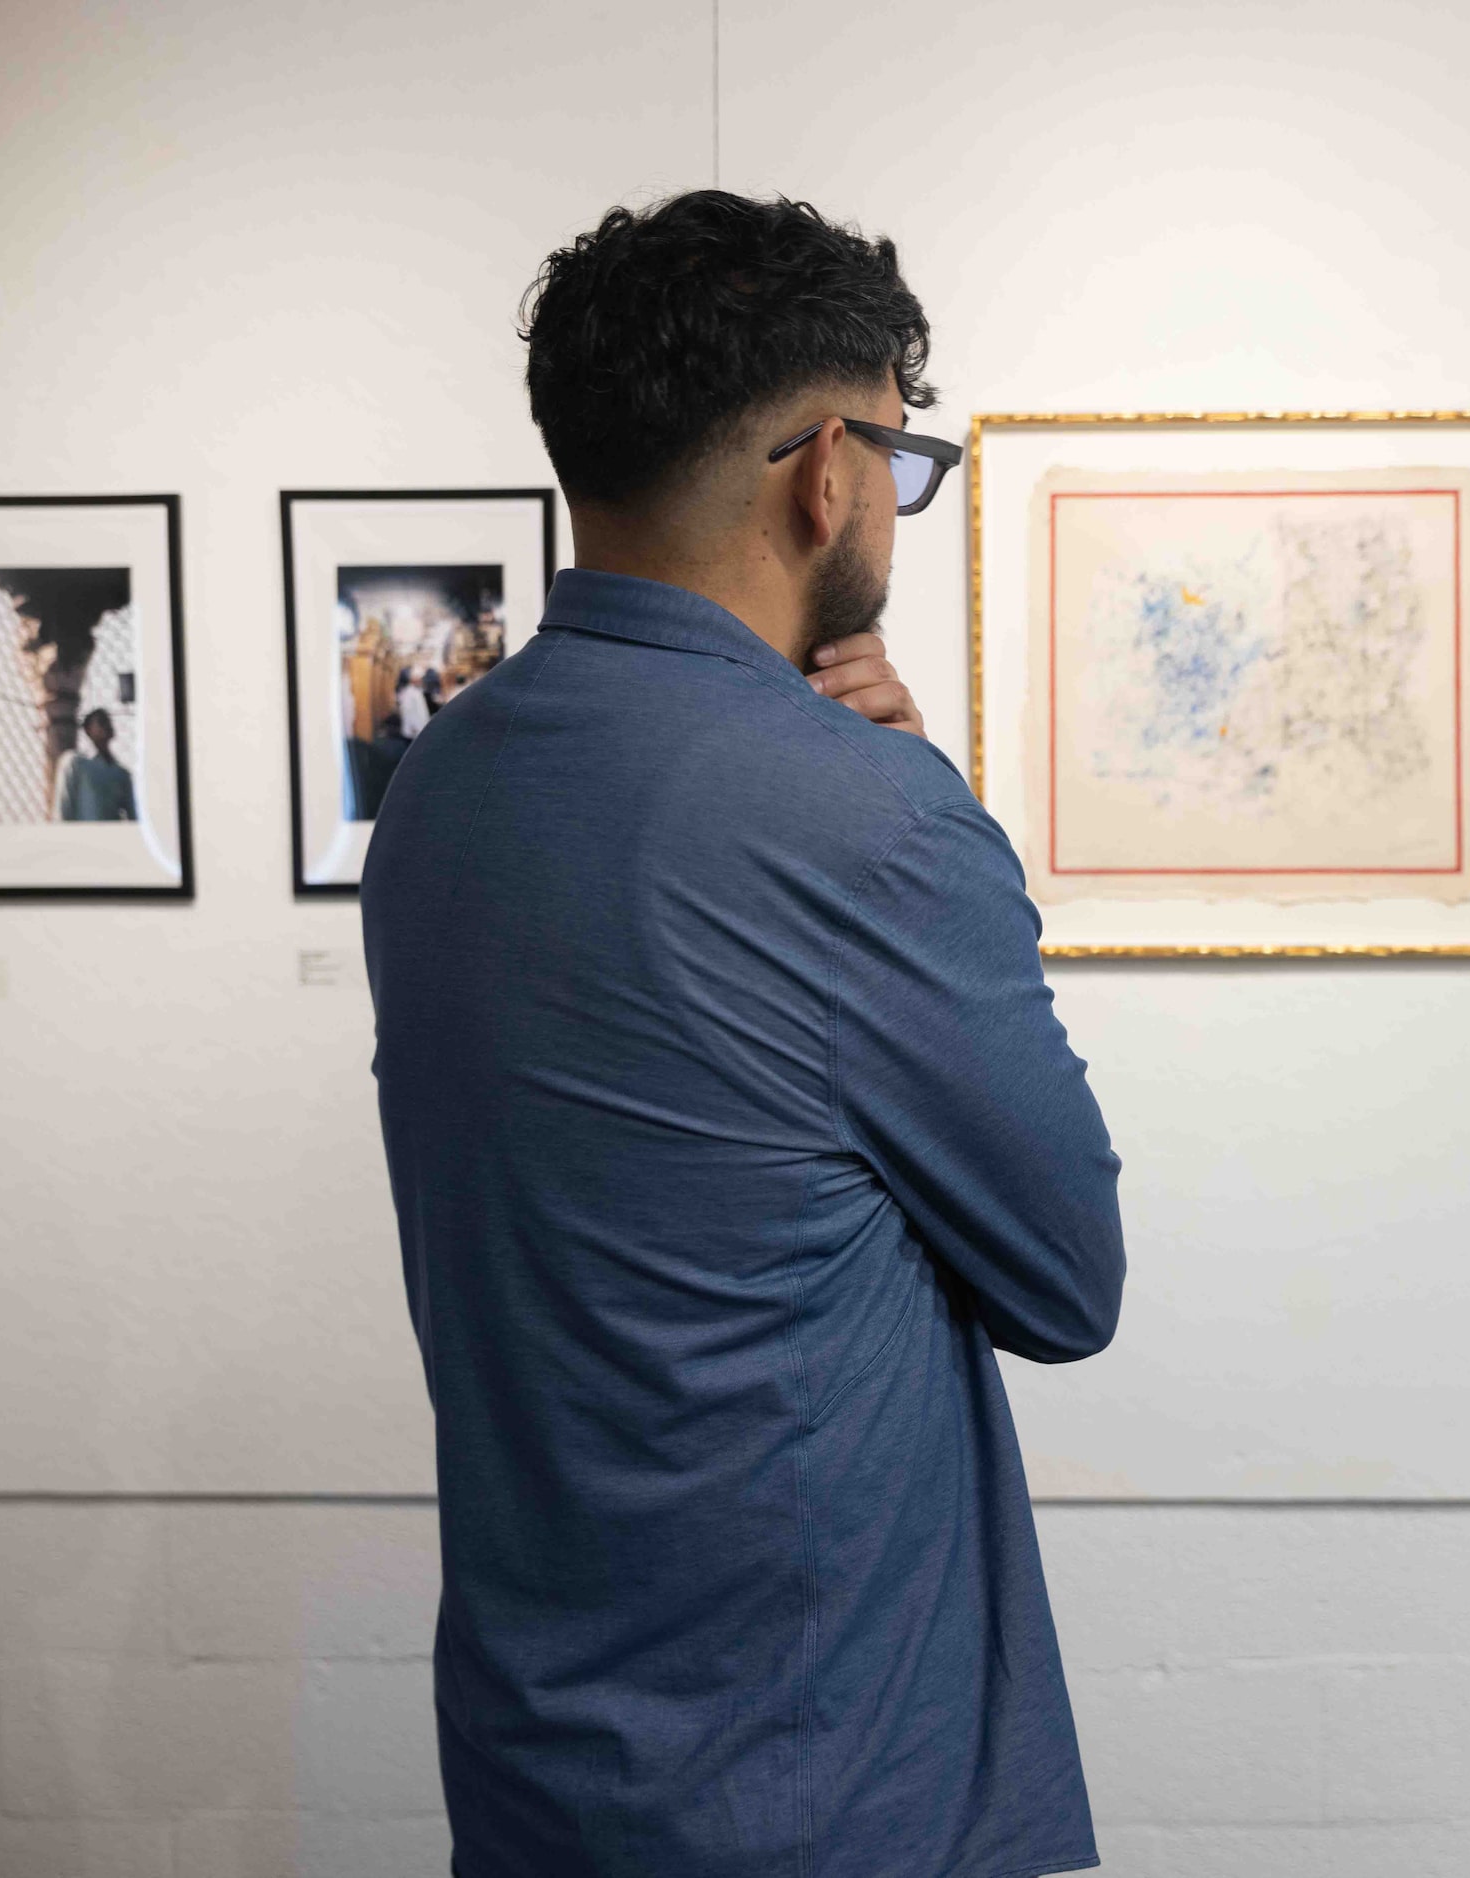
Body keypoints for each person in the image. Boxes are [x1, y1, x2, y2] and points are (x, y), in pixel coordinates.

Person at [363, 191, 1124, 1878]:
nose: (895, 509)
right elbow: (1070, 1281)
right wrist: (913, 794)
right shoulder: (866, 819)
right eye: (907, 468)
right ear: (828, 469)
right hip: (825, 1776)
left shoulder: (440, 791)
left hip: (540, 1762)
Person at [53, 707, 135, 821]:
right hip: (83, 834)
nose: (106, 726)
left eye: (108, 721)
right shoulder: (76, 763)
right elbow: (64, 806)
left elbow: (133, 814)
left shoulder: (121, 774)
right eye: (101, 722)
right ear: (88, 730)